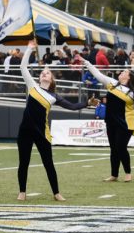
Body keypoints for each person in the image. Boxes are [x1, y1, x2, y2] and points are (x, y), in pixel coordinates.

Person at [18, 42, 94, 201]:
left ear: (52, 79)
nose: (44, 73)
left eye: (47, 73)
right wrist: (30, 48)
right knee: (23, 162)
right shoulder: (32, 86)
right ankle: (22, 192)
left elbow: (73, 106)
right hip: (25, 131)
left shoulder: (54, 96)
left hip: (42, 133)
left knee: (48, 163)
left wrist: (87, 103)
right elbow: (23, 67)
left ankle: (56, 193)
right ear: (39, 77)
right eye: (42, 72)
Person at [82, 57, 134, 182]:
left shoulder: (132, 91)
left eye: (124, 72)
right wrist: (87, 63)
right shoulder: (112, 84)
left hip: (126, 123)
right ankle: (114, 175)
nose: (121, 72)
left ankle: (128, 173)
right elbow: (97, 74)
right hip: (111, 122)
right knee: (113, 148)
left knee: (120, 147)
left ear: (129, 77)